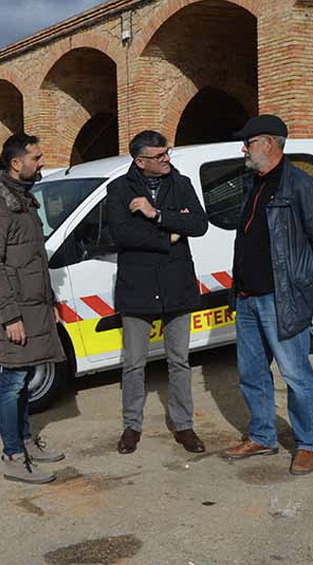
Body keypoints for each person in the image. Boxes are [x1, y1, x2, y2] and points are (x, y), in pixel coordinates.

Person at [223, 115, 313, 475]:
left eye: (249, 142)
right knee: (251, 372)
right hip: (248, 297)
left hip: (280, 299)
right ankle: (262, 435)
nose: (244, 148)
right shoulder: (252, 183)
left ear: (269, 143)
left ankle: (307, 444)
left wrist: (295, 278)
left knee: (296, 374)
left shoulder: (300, 184)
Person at [107, 130, 209, 455]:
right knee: (134, 364)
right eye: (159, 156)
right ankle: (131, 426)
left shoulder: (181, 184)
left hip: (177, 284)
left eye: (167, 153)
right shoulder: (119, 190)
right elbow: (122, 235)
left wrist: (157, 215)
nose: (167, 159)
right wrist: (169, 235)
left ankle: (184, 425)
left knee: (179, 360)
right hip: (137, 288)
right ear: (140, 161)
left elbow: (199, 224)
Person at [0, 132, 66, 484]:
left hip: (35, 307)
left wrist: (51, 302)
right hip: (15, 312)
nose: (41, 162)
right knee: (12, 381)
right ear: (17, 164)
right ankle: (12, 456)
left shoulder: (23, 200)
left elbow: (33, 260)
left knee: (26, 377)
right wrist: (10, 315)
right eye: (36, 158)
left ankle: (26, 440)